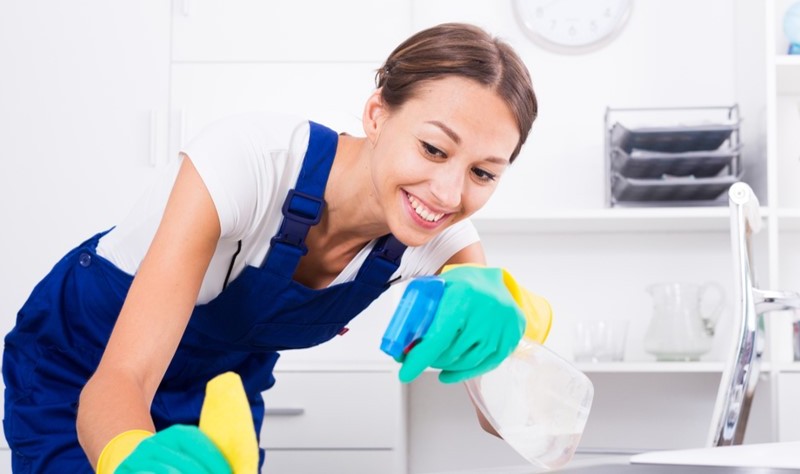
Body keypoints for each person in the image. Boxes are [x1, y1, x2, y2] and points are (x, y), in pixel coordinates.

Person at [2, 22, 551, 473]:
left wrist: (520, 326)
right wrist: (129, 457)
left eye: (483, 172)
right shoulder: (247, 164)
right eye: (433, 149)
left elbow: (503, 418)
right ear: (377, 114)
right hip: (80, 367)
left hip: (220, 392)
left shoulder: (444, 241)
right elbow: (119, 380)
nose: (449, 194)